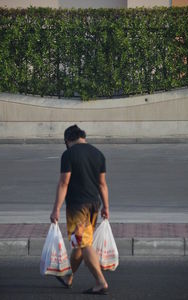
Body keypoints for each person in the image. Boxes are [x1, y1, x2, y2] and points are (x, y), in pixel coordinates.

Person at [50, 124, 109, 295]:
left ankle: (100, 282)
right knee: (78, 244)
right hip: (94, 205)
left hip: (78, 206)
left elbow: (64, 183)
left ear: (68, 140)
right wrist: (106, 206)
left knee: (83, 243)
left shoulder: (68, 154)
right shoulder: (98, 154)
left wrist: (56, 209)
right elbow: (102, 184)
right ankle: (69, 277)